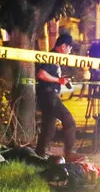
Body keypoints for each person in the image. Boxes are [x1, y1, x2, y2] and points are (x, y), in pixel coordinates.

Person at [35, 34, 85, 162]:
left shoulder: (55, 58)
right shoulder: (52, 56)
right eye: (69, 48)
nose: (69, 51)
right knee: (69, 121)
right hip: (48, 94)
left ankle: (40, 154)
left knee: (49, 126)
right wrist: (59, 80)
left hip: (48, 94)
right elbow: (41, 74)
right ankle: (69, 153)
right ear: (63, 46)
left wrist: (61, 80)